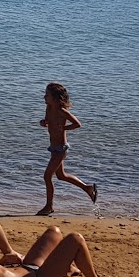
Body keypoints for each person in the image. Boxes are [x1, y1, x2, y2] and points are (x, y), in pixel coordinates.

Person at [37, 82, 97, 216]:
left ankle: (49, 206)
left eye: (47, 95)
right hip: (53, 148)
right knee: (61, 176)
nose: (44, 97)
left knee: (47, 176)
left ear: (56, 98)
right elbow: (47, 121)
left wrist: (64, 128)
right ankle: (87, 188)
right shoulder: (48, 108)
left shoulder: (61, 111)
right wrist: (44, 122)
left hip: (61, 149)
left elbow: (77, 124)